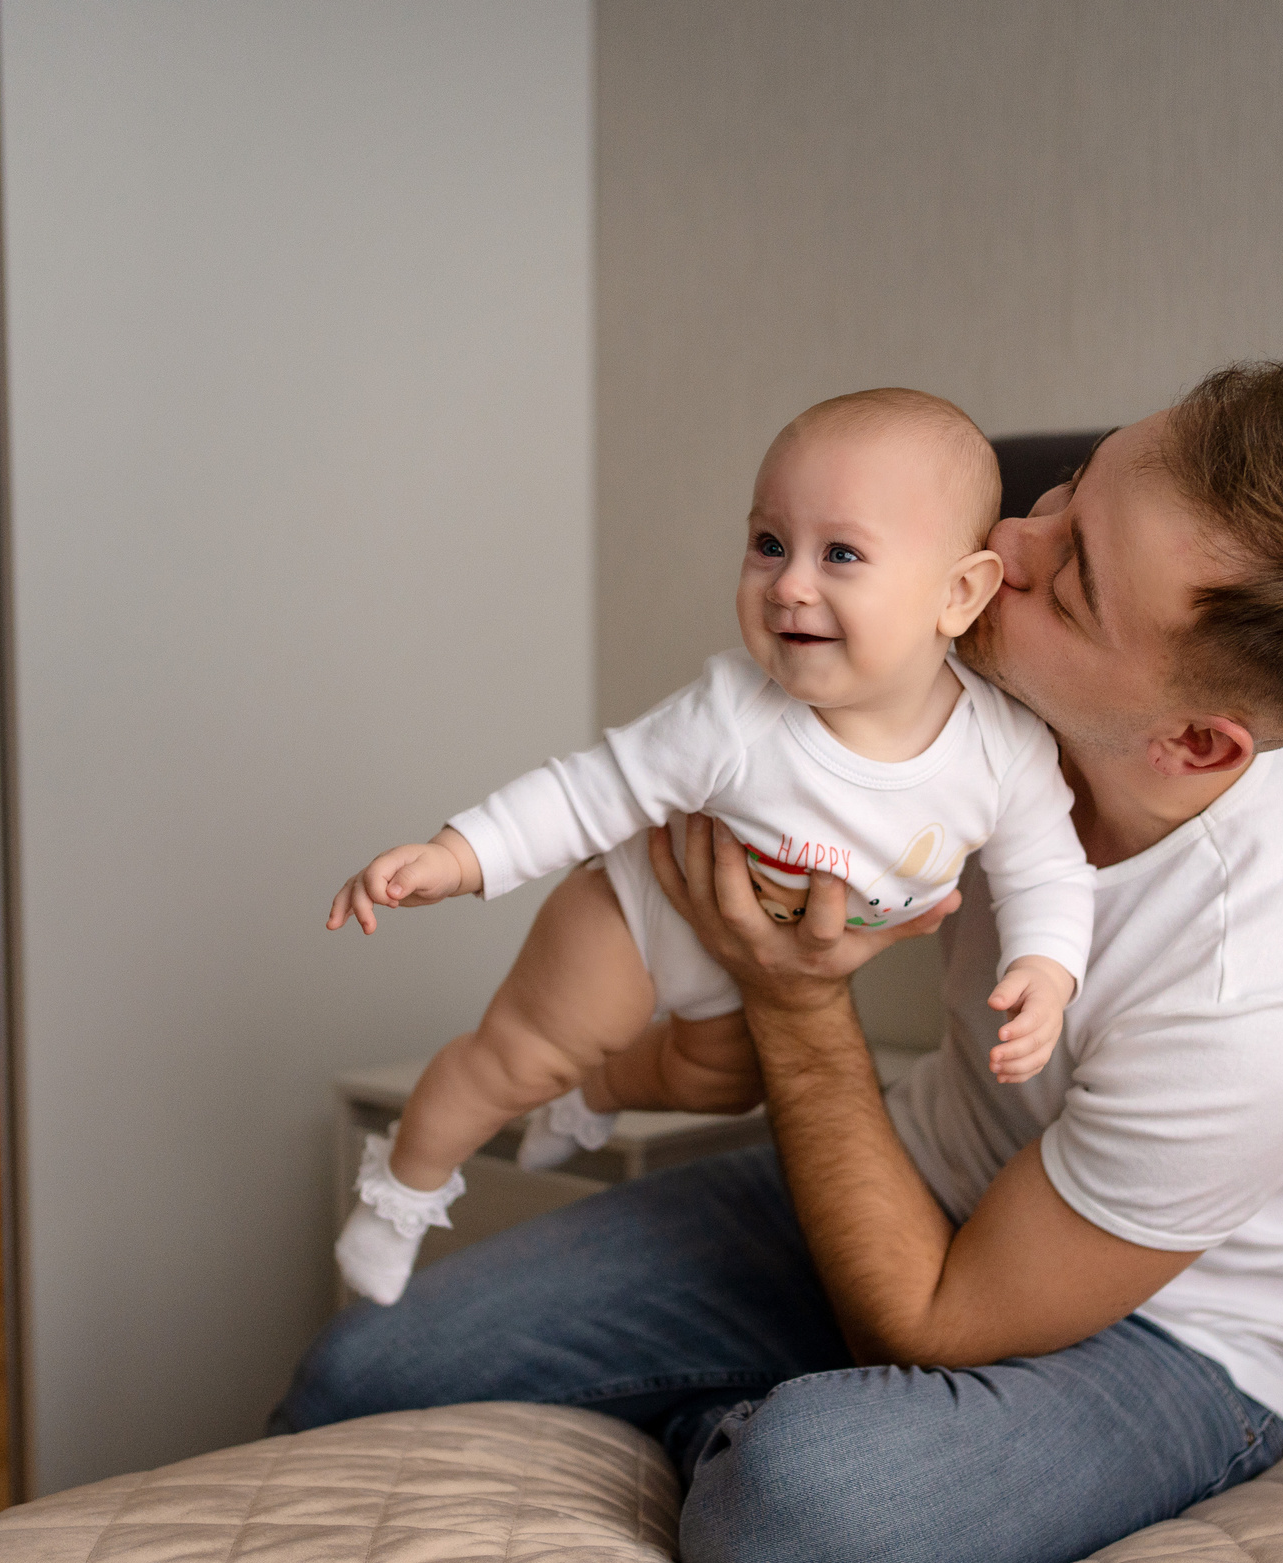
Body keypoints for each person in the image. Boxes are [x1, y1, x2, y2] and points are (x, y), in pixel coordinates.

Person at [276, 360, 1283, 1563]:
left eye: (1069, 580)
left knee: (803, 1508)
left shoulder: (1266, 1008)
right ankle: (734, 1406)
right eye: (1066, 492)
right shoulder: (994, 700)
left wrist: (794, 1000)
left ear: (1192, 742)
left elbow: (933, 1322)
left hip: (1171, 1335)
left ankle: (742, 1425)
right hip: (926, 1168)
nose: (1006, 545)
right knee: (358, 1375)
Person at [321, 389, 1093, 1305]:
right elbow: (588, 791)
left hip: (755, 977)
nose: (789, 584)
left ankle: (593, 1096)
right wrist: (457, 856)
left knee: (718, 1084)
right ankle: (405, 1187)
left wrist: (1046, 971)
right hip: (636, 924)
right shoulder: (734, 715)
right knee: (519, 1059)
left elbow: (1048, 868)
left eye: (840, 554)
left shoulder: (1003, 749)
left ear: (959, 593)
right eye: (769, 543)